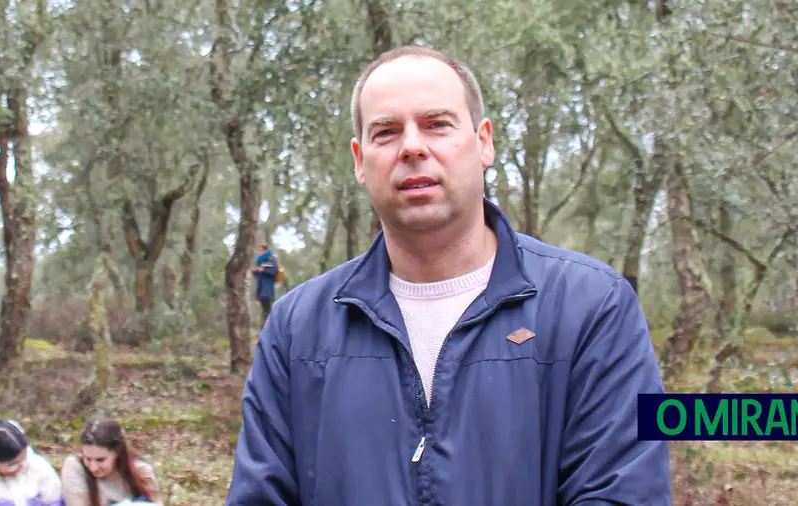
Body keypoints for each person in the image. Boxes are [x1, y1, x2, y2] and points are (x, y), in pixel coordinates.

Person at [226, 45, 671, 505]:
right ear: (360, 160)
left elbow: (623, 491)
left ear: (484, 142)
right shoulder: (297, 330)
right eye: (386, 132)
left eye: (437, 124)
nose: (412, 146)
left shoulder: (593, 307)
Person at [60, 419, 163, 506]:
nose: (93, 467)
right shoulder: (75, 467)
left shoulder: (142, 472)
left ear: (117, 453)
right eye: (88, 459)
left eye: (100, 460)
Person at [0, 419, 64, 506]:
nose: (22, 465)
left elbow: (53, 500)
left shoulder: (40, 468)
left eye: (24, 457)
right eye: (13, 465)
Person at [252, 244, 279, 324]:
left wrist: (263, 271)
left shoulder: (271, 258)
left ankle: (271, 323)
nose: (259, 252)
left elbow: (274, 271)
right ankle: (265, 324)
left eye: (260, 250)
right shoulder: (259, 261)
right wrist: (255, 271)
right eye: (258, 250)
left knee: (268, 308)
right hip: (260, 287)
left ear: (265, 250)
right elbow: (257, 275)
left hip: (267, 286)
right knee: (264, 309)